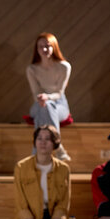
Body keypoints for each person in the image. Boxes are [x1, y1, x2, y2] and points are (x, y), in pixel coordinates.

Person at [26, 32, 72, 162]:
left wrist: (47, 98)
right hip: (38, 104)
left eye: (47, 46)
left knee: (47, 108)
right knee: (44, 108)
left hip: (60, 105)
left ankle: (36, 154)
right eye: (40, 46)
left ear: (54, 47)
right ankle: (58, 148)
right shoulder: (32, 69)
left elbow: (59, 92)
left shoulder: (64, 67)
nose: (44, 49)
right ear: (36, 49)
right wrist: (41, 99)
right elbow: (35, 94)